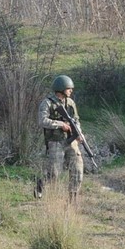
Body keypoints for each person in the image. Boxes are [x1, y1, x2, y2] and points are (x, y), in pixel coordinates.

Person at [37, 75, 84, 203]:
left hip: (71, 140)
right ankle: (41, 184)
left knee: (78, 169)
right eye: (69, 88)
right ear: (61, 89)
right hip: (55, 141)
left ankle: (73, 199)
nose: (71, 91)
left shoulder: (70, 103)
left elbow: (76, 120)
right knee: (54, 173)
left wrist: (79, 132)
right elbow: (42, 120)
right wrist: (60, 124)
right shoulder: (47, 103)